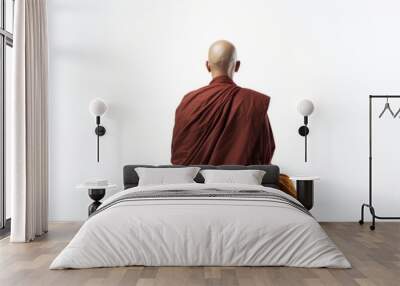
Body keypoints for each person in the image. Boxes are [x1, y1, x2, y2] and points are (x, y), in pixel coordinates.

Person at [171, 40, 275, 165]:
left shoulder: (188, 101)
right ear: (237, 66)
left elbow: (179, 156)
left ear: (207, 66)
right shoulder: (252, 102)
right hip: (241, 182)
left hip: (193, 183)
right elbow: (266, 152)